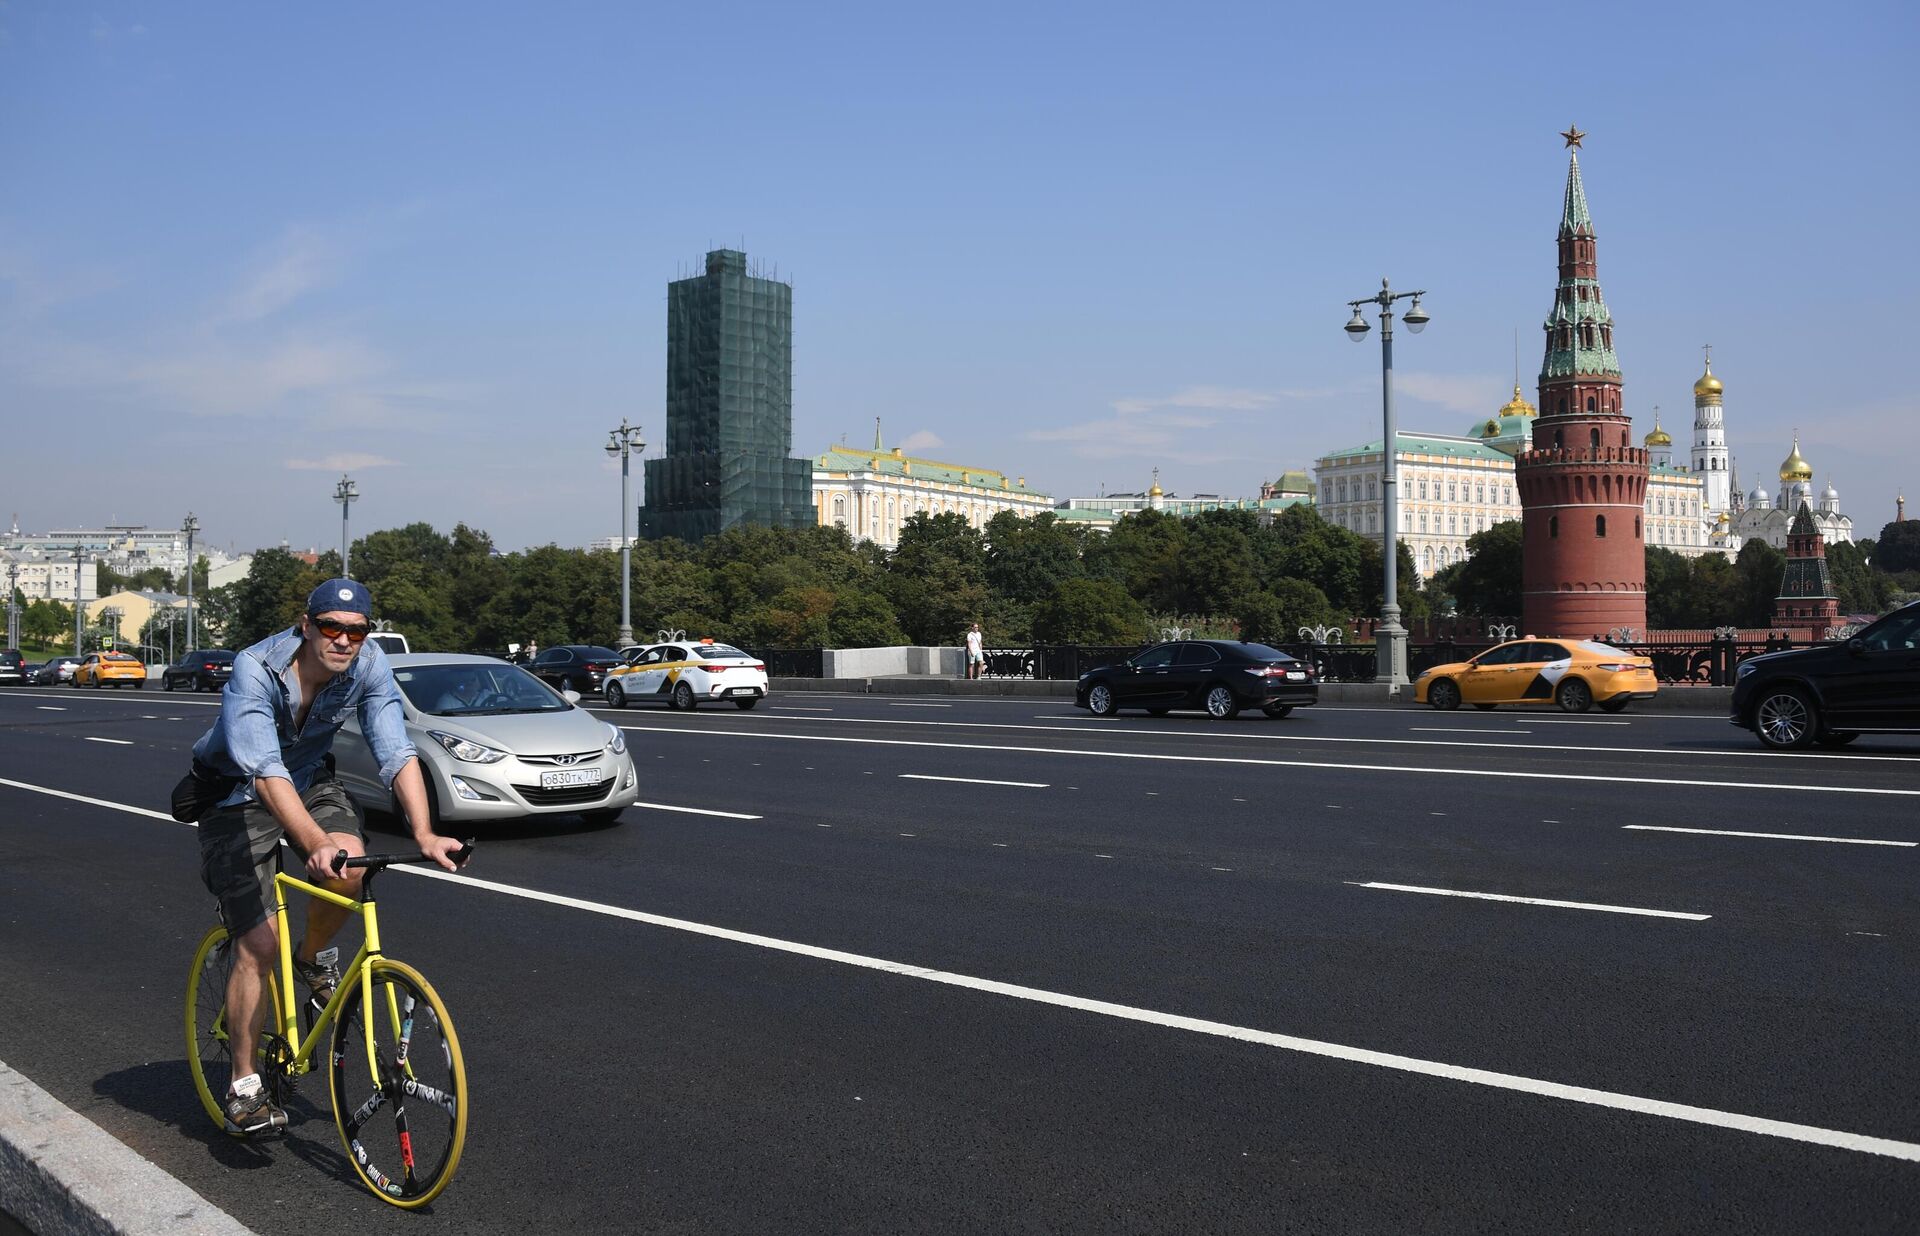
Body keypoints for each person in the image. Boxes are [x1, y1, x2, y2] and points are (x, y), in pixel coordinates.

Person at [183, 579, 465, 1135]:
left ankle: (310, 959)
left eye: (356, 630)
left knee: (350, 869)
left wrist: (426, 833)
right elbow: (264, 771)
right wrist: (313, 845)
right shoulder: (255, 669)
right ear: (306, 626)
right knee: (258, 943)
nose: (343, 640)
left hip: (309, 782)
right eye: (331, 627)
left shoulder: (369, 664)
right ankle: (243, 1086)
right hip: (237, 794)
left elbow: (395, 751)